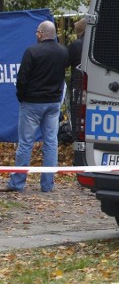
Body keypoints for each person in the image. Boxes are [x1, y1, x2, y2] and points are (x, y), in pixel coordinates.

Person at [2, 20, 69, 193]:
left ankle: (17, 183)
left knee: (25, 143)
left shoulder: (32, 51)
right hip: (53, 103)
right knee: (51, 143)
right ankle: (47, 184)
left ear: (41, 33)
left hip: (32, 103)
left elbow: (22, 78)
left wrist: (22, 97)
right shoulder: (63, 52)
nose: (36, 35)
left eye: (37, 32)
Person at [67, 18, 86, 135]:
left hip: (78, 84)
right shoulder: (100, 42)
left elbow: (65, 61)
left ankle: (76, 135)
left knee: (77, 113)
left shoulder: (76, 45)